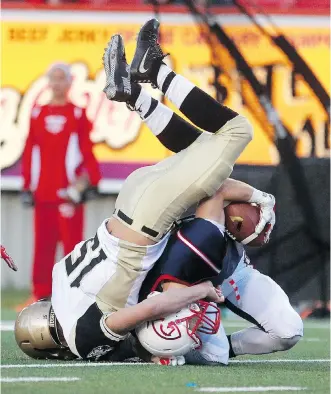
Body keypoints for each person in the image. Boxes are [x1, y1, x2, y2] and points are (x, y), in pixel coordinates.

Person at [15, 18, 270, 363]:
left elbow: (143, 310)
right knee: (200, 146)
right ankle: (132, 94)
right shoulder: (61, 281)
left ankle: (154, 73)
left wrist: (201, 291)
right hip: (131, 200)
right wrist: (257, 196)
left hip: (146, 221)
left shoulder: (82, 338)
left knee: (237, 130)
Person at [139, 178, 303, 366]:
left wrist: (264, 198)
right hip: (190, 290)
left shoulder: (208, 224)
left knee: (289, 331)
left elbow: (219, 185)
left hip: (234, 272)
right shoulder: (177, 250)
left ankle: (228, 346)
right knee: (214, 357)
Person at [18, 63, 101, 310]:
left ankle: (73, 294)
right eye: (52, 78)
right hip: (43, 194)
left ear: (69, 82)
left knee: (72, 248)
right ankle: (40, 294)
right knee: (42, 247)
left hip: (69, 196)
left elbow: (87, 150)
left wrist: (92, 180)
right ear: (48, 82)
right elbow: (30, 151)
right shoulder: (37, 114)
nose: (56, 83)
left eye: (61, 78)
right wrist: (26, 186)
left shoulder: (77, 114)